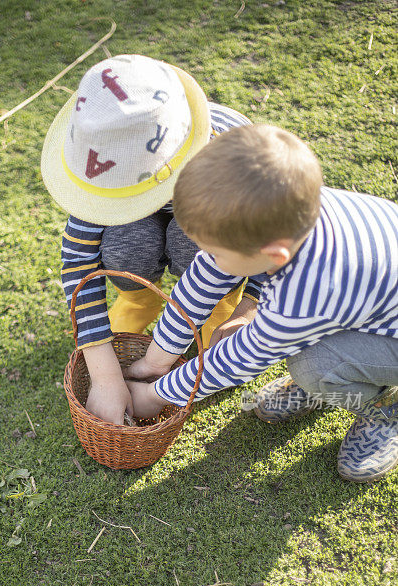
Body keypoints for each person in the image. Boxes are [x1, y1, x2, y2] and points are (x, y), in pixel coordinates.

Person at [125, 124, 398, 483]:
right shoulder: (285, 207)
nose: (208, 258)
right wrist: (154, 360)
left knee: (312, 366)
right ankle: (334, 380)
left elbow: (242, 357)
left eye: (217, 253)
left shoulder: (307, 293)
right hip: (371, 307)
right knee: (308, 355)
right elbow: (204, 278)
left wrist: (157, 396)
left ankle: (383, 410)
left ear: (273, 255)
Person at [41, 54, 262, 424]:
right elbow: (78, 262)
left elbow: (267, 245)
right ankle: (139, 302)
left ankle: (215, 313)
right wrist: (106, 375)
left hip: (210, 219)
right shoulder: (106, 154)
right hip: (155, 211)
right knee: (128, 240)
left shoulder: (235, 166)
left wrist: (246, 307)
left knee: (194, 243)